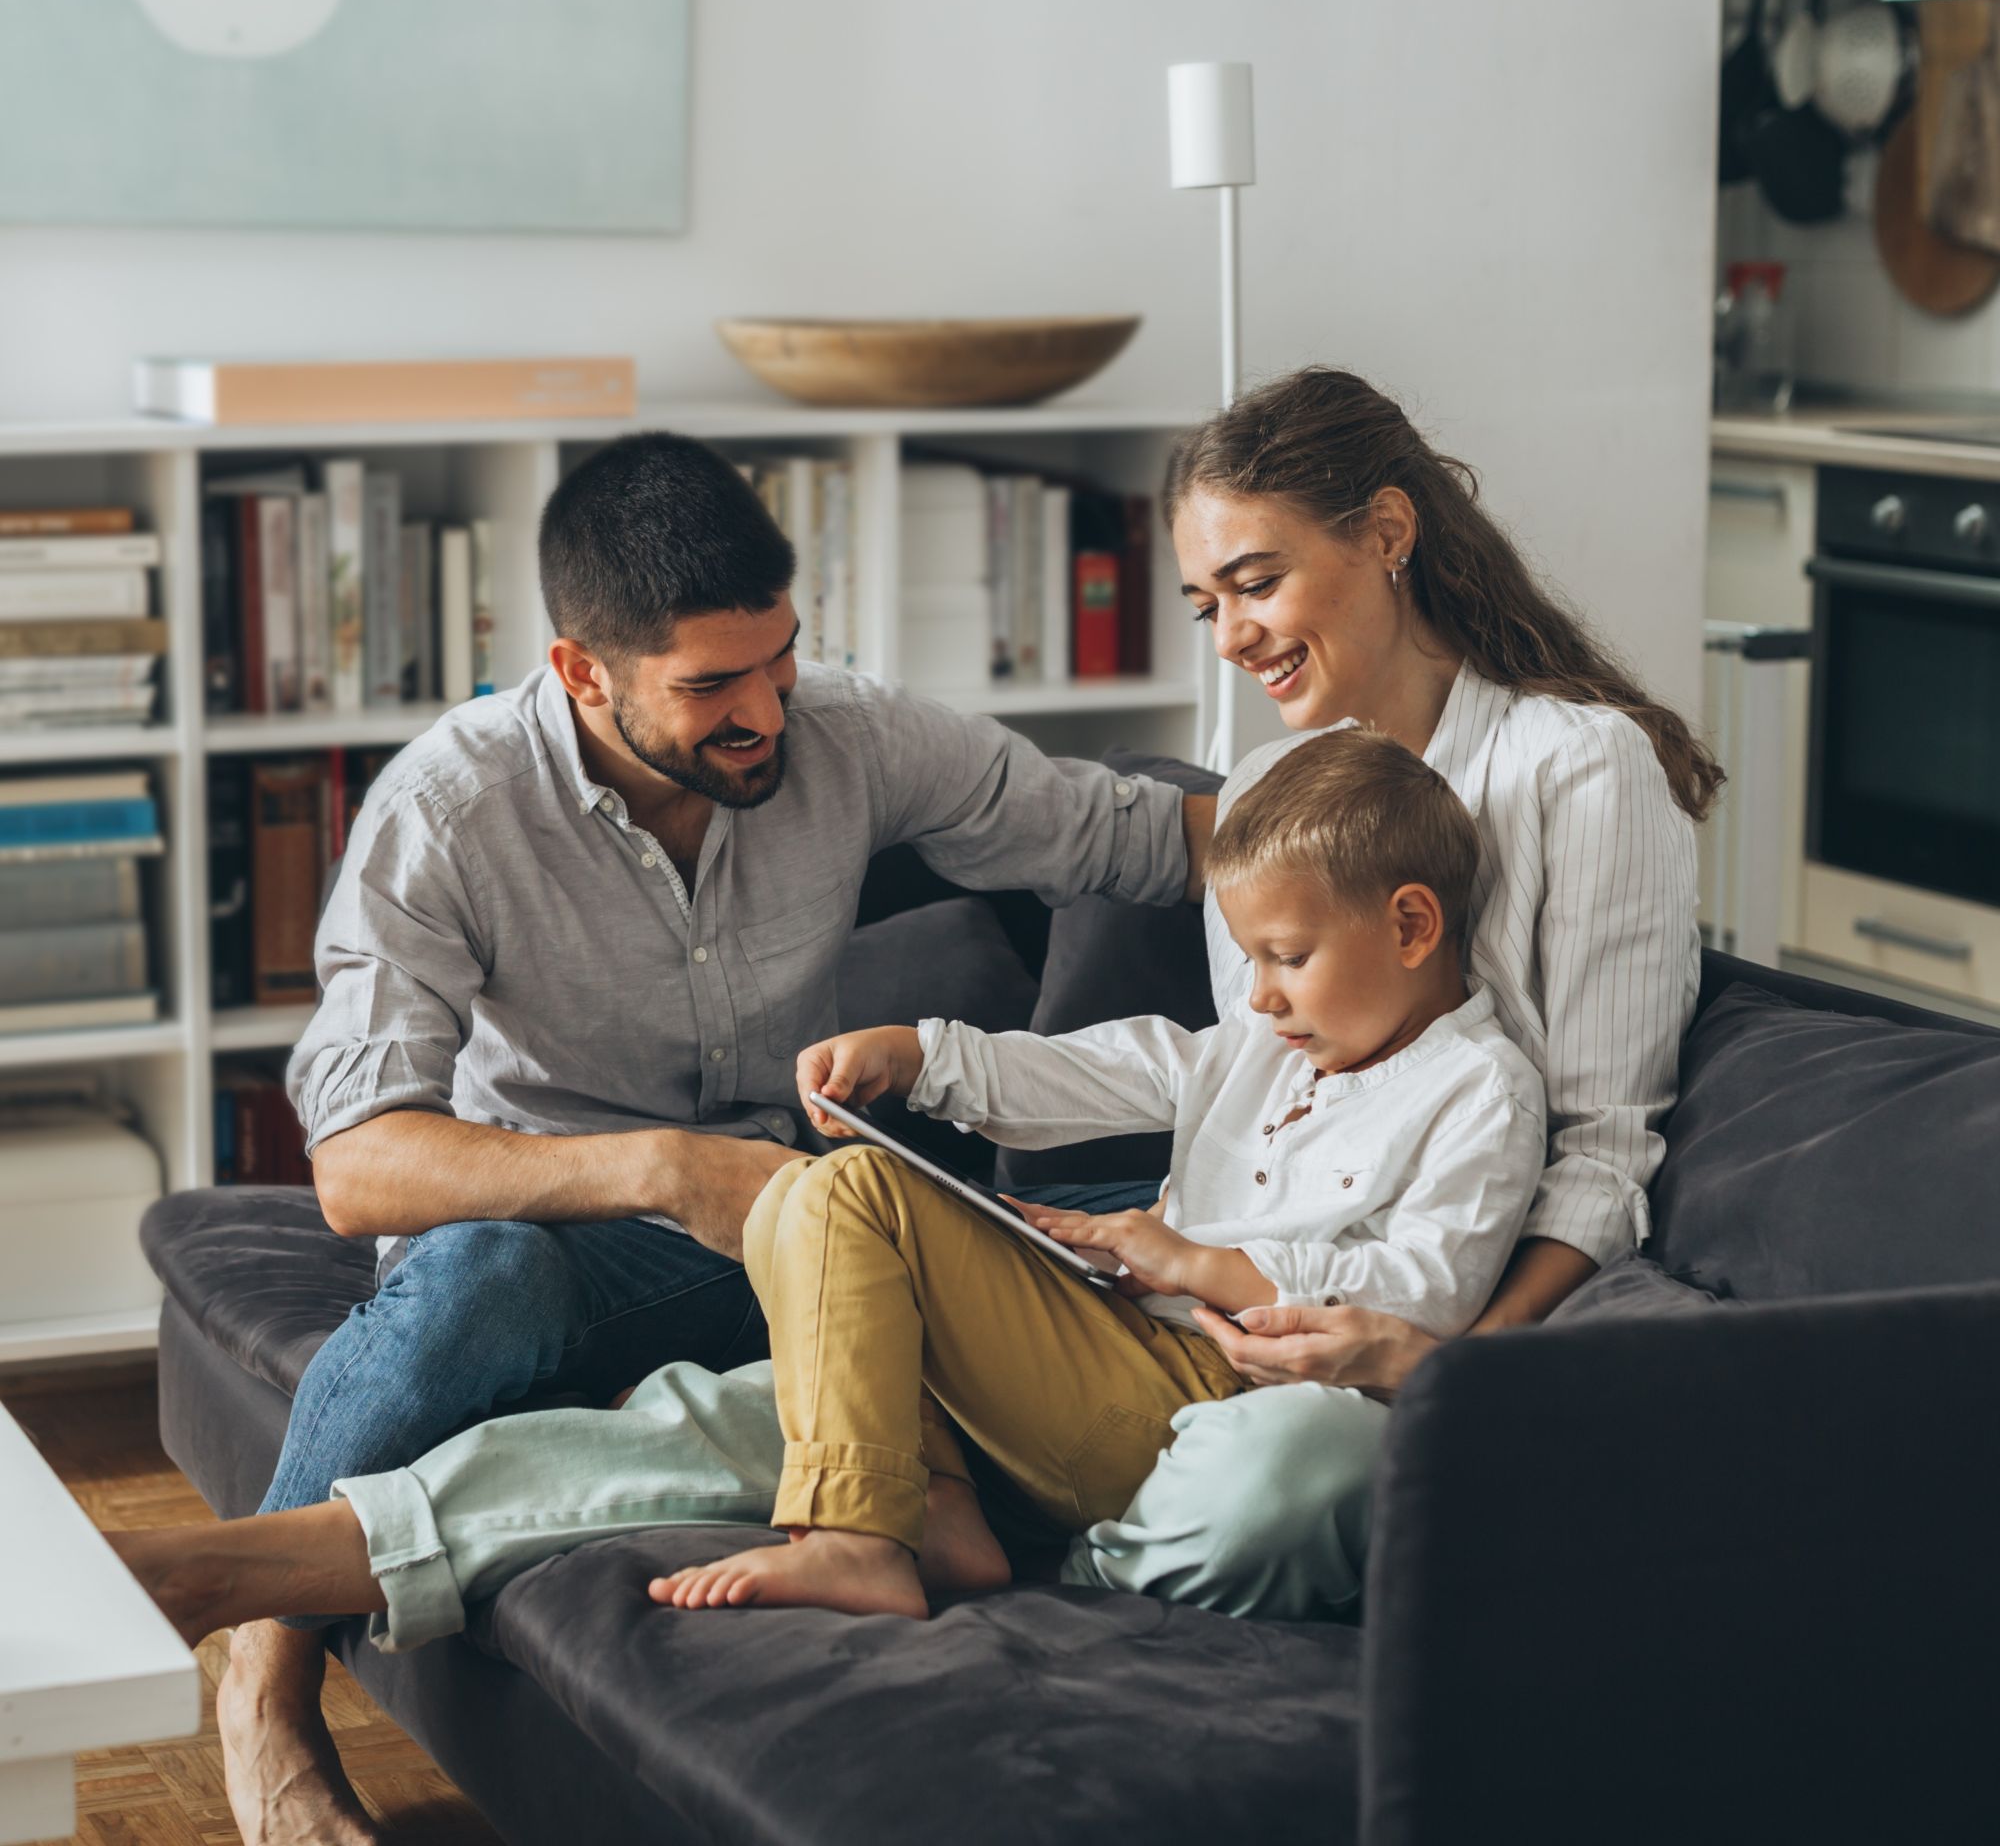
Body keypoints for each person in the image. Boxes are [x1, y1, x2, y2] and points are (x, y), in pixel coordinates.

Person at [211, 429, 1214, 1846]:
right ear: (581, 670)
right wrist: (666, 1169)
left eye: (781, 660)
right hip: (547, 1237)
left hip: (789, 1227)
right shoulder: (446, 811)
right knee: (487, 1274)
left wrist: (1405, 846)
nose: (768, 713)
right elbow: (359, 1170)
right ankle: (264, 1684)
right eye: (710, 688)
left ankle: (895, 1496)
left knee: (1006, 1238)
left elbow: (1131, 837)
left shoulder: (849, 734)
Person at [115, 729, 1545, 1636]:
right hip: (1092, 1364)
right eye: (1256, 966)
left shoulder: (1478, 1089)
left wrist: (1195, 1263)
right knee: (719, 1401)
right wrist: (920, 1056)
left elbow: (1414, 1302)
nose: (1268, 997)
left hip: (1220, 1397)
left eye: (1287, 960)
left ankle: (867, 1533)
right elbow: (1116, 1069)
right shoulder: (1264, 1042)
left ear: (1413, 924)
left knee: (837, 1205)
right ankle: (259, 1569)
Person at [1061, 364, 1716, 1619]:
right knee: (845, 1296)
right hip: (1232, 1296)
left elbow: (1599, 1155)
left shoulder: (1576, 768)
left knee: (1277, 1480)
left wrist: (1439, 1366)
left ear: (1387, 533)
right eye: (1207, 603)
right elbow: (1254, 1077)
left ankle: (1075, 1544)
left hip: (1392, 1337)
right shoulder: (1263, 789)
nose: (1232, 635)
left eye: (1257, 582)